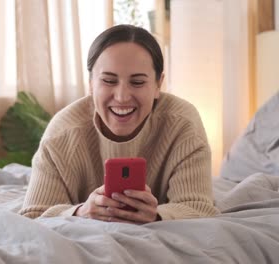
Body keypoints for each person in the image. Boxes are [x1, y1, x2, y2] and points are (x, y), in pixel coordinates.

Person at [19, 24, 219, 223]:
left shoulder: (183, 124)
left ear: (158, 84)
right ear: (90, 84)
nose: (122, 97)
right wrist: (80, 212)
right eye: (108, 81)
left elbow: (199, 207)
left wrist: (158, 215)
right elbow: (32, 216)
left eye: (138, 82)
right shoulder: (62, 132)